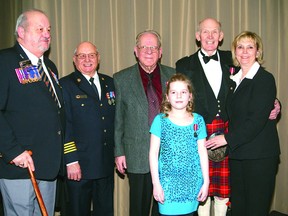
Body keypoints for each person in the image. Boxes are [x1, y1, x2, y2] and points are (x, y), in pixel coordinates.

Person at [176, 18, 281, 216]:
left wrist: (276, 104)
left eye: (214, 32)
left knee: (229, 196)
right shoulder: (183, 64)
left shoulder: (231, 60)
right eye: (205, 32)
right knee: (204, 190)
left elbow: (259, 98)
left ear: (221, 36)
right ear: (197, 36)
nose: (209, 36)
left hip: (234, 138)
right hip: (202, 136)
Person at [206, 31, 280, 216]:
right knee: (238, 208)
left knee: (255, 209)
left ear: (258, 51)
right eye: (240, 47)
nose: (244, 52)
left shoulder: (264, 78)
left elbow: (256, 120)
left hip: (259, 156)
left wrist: (226, 138)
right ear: (234, 52)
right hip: (238, 154)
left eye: (250, 47)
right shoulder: (234, 79)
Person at [0, 9, 64, 215]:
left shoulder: (49, 67)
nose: (46, 33)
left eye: (48, 29)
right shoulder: (5, 61)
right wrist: (12, 151)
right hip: (20, 165)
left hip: (47, 165)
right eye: (39, 29)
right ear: (21, 31)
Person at [114, 30, 175, 216]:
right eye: (144, 47)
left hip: (167, 154)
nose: (149, 51)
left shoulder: (173, 76)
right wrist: (119, 152)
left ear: (160, 51)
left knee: (164, 206)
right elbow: (118, 119)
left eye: (153, 47)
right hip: (136, 153)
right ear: (136, 50)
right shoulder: (121, 79)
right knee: (138, 208)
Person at [59, 41, 115, 216]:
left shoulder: (110, 83)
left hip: (105, 163)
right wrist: (71, 160)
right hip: (79, 166)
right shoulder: (65, 85)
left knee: (104, 211)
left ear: (98, 58)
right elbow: (64, 125)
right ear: (74, 60)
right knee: (77, 211)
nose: (87, 59)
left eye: (91, 55)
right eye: (81, 56)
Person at [149, 73, 209, 216]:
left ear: (190, 96)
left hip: (192, 184)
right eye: (174, 92)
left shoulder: (198, 121)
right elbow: (153, 154)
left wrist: (206, 182)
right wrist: (156, 184)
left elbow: (202, 152)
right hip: (167, 186)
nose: (179, 96)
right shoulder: (160, 120)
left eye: (183, 92)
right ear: (167, 97)